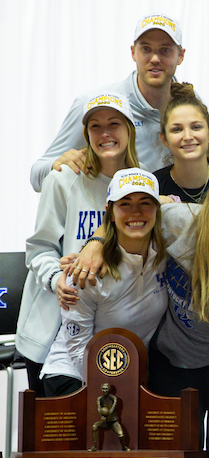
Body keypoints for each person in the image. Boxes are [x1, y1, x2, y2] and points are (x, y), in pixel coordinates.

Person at [72, 158, 209, 458]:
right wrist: (96, 243)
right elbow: (128, 212)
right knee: (172, 452)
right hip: (172, 356)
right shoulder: (178, 221)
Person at [17, 93, 140, 396]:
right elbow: (39, 248)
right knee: (53, 435)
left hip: (113, 338)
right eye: (95, 126)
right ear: (85, 134)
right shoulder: (63, 179)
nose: (105, 133)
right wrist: (57, 279)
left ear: (130, 130)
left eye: (114, 124)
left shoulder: (142, 185)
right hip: (50, 331)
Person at [39, 169, 168, 397]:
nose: (136, 212)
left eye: (145, 203)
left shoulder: (164, 255)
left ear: (158, 209)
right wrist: (118, 388)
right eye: (125, 204)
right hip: (74, 376)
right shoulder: (88, 270)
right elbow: (78, 349)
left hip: (128, 376)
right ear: (109, 212)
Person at [31, 14, 184, 191]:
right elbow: (37, 176)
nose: (155, 58)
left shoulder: (190, 106)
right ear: (133, 52)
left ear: (181, 56)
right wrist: (57, 166)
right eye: (146, 49)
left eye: (165, 50)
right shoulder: (94, 105)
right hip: (110, 215)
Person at [154, 83, 209, 204]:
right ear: (164, 139)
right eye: (177, 129)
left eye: (196, 127)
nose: (188, 137)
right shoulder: (154, 186)